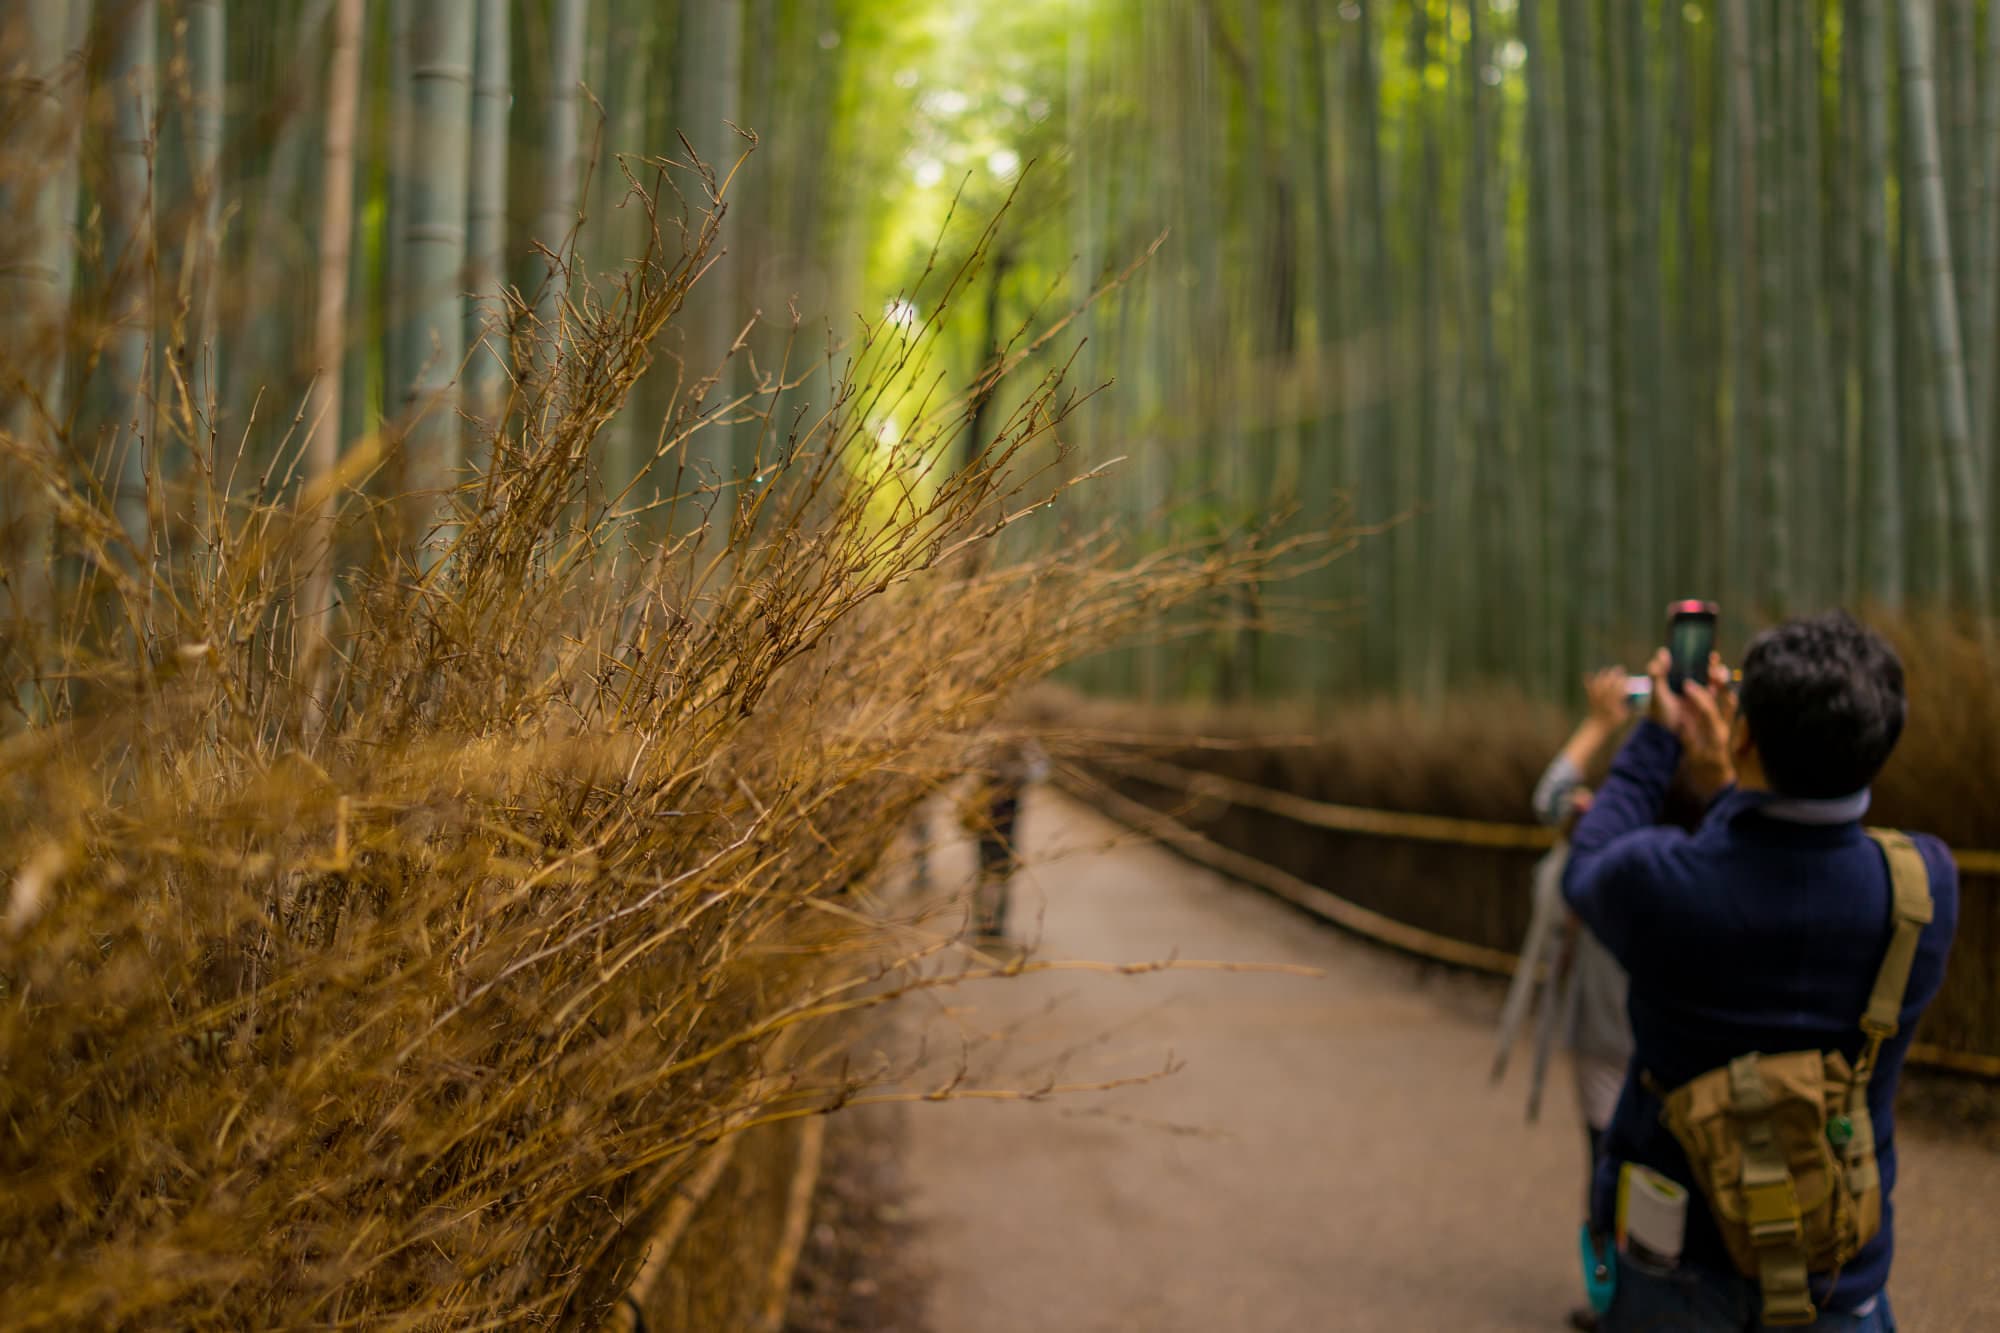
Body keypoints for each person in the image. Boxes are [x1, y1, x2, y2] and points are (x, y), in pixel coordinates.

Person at [1563, 612, 1957, 1331]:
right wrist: (1730, 779)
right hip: (1836, 1267)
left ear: (1745, 733)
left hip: (1680, 1258)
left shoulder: (1664, 883)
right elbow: (1783, 873)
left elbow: (1590, 859)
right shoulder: (1922, 884)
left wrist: (1661, 731)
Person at [1492, 666, 1637, 1332]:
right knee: (1640, 1168)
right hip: (1640, 1032)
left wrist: (1602, 722)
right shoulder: (1700, 826)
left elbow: (1553, 794)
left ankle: (1617, 1296)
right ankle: (1628, 1294)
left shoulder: (1603, 829)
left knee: (1610, 1164)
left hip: (1618, 1034)